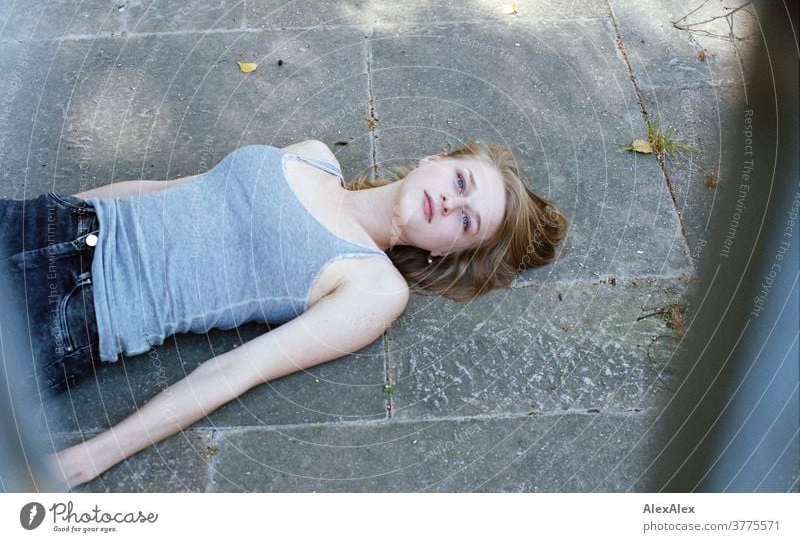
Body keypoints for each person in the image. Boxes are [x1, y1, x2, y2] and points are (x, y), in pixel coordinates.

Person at [0, 139, 568, 489]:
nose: (451, 202)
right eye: (461, 183)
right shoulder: (313, 155)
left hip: (71, 312)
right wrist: (58, 209)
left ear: (446, 250)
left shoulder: (373, 286)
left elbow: (234, 371)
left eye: (466, 221)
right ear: (436, 161)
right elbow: (167, 190)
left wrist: (85, 461)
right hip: (49, 223)